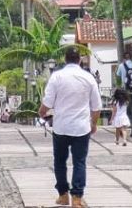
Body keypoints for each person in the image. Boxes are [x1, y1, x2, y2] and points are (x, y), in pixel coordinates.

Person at [39, 47, 101, 208]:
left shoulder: (57, 76)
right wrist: (93, 124)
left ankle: (63, 195)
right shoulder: (88, 78)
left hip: (61, 126)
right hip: (81, 127)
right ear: (79, 60)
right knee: (79, 162)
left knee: (60, 161)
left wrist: (42, 113)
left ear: (65, 60)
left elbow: (47, 103)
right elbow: (96, 107)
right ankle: (77, 198)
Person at [116, 46, 132, 137]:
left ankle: (123, 130)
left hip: (125, 91)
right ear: (131, 57)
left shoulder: (121, 66)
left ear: (124, 58)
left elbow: (118, 76)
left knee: (124, 110)